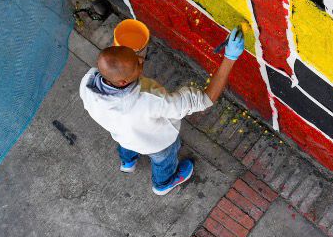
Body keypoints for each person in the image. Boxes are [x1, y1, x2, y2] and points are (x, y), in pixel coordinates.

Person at [79, 26, 246, 195]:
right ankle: (163, 184)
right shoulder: (151, 101)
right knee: (163, 160)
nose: (142, 60)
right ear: (122, 82)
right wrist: (230, 58)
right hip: (156, 144)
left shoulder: (87, 83)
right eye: (138, 63)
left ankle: (127, 162)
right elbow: (206, 99)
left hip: (122, 134)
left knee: (127, 144)